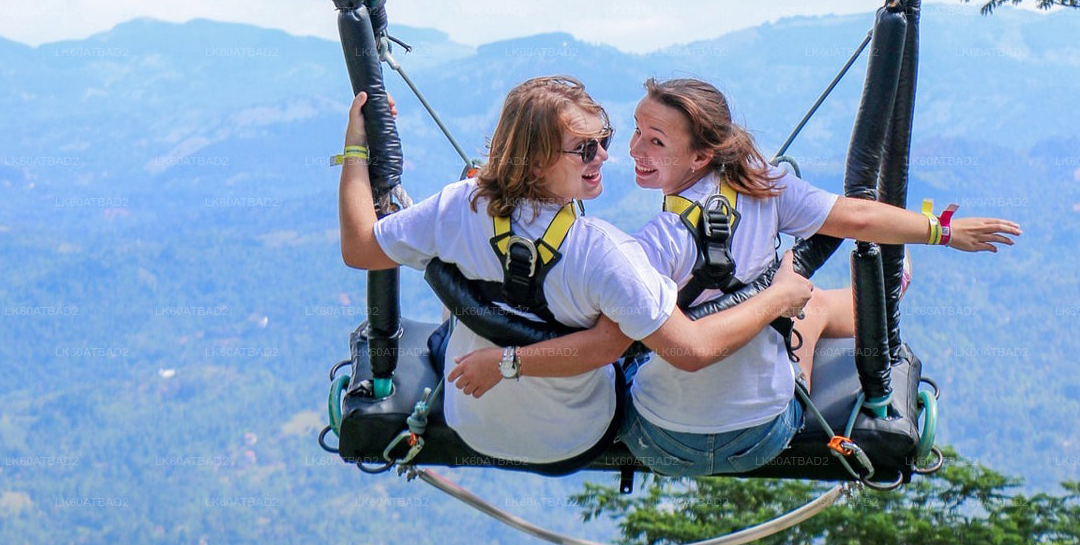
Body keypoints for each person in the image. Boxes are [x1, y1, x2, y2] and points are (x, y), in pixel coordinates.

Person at [338, 76, 813, 470]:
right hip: (574, 438)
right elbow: (644, 348)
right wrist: (777, 294)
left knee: (450, 331)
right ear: (538, 160)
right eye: (586, 149)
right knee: (635, 354)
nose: (607, 155)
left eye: (603, 139)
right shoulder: (608, 253)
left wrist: (355, 149)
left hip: (473, 422)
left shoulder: (456, 206)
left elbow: (360, 247)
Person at [615, 77, 1021, 476]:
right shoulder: (764, 185)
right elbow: (858, 216)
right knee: (804, 307)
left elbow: (651, 343)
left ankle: (857, 296)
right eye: (636, 131)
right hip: (761, 435)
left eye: (656, 141)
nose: (635, 148)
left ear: (701, 157)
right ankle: (881, 296)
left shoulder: (653, 243)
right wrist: (944, 231)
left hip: (661, 440)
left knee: (633, 358)